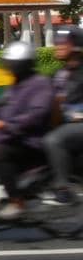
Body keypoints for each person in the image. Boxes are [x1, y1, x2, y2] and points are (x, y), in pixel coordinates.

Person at [0, 41, 55, 220]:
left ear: (22, 65)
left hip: (30, 140)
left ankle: (16, 201)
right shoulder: (16, 85)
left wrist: (5, 124)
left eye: (12, 64)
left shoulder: (40, 84)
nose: (9, 68)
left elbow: (36, 114)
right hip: (12, 137)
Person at [46, 26, 83, 201]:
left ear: (76, 47)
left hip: (78, 123)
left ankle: (62, 187)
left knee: (54, 139)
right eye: (57, 43)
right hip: (62, 121)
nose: (58, 46)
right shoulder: (58, 73)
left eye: (63, 43)